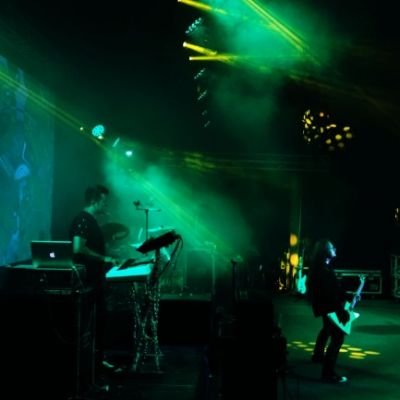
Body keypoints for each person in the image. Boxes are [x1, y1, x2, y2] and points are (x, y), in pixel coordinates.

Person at [69, 184, 118, 386]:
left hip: (95, 280)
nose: (106, 205)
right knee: (89, 325)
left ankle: (96, 362)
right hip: (87, 281)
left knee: (99, 322)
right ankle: (86, 369)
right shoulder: (82, 219)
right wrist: (104, 258)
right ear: (95, 200)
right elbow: (78, 247)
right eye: (104, 201)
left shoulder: (92, 221)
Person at [306, 239, 351, 384]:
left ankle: (318, 356)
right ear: (325, 252)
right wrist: (341, 311)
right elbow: (329, 294)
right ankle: (328, 373)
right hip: (330, 307)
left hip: (326, 307)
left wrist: (347, 297)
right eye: (332, 247)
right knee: (337, 337)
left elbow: (333, 290)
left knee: (327, 329)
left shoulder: (322, 268)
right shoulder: (323, 271)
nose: (335, 249)